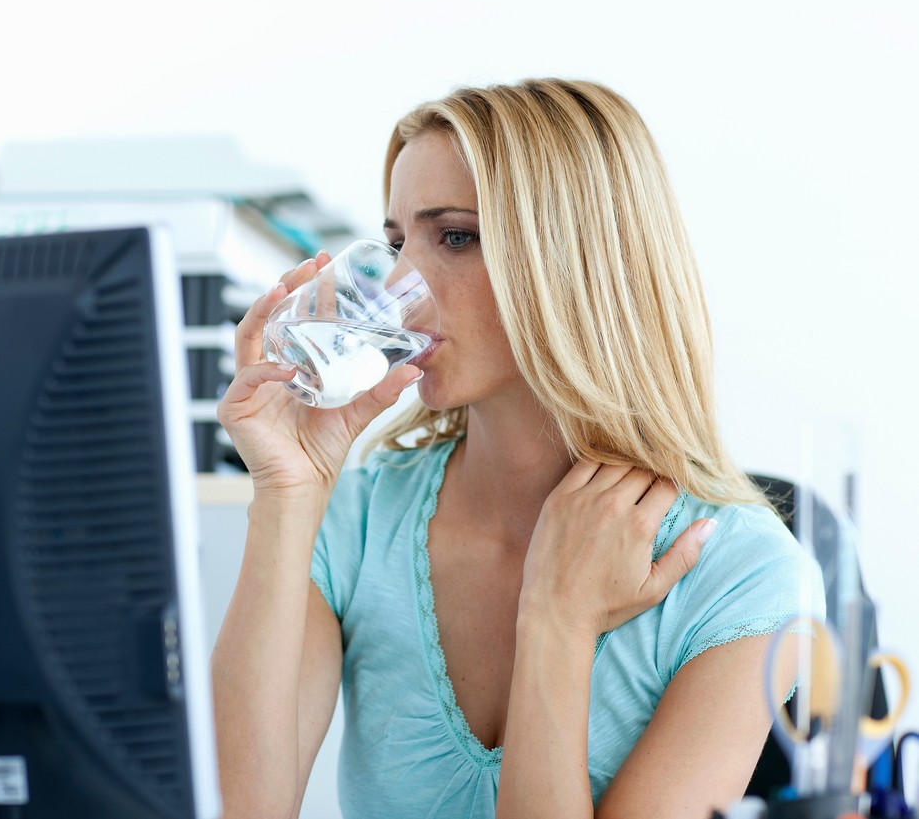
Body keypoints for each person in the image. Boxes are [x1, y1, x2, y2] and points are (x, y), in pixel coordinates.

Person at [211, 78, 822, 819]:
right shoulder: (362, 515)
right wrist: (285, 492)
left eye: (455, 236)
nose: (398, 281)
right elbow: (237, 808)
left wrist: (556, 622)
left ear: (574, 262)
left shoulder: (740, 573)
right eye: (398, 241)